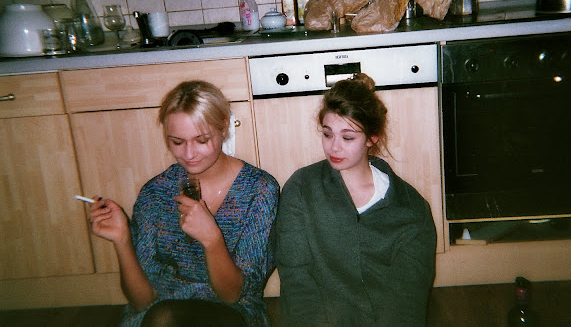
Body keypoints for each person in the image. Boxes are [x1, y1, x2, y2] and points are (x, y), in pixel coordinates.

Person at [88, 80, 279, 326]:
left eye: (202, 140)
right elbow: (141, 301)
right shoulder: (155, 193)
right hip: (159, 310)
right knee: (162, 317)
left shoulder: (259, 190)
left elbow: (233, 295)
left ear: (224, 127)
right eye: (177, 142)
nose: (189, 155)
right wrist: (122, 240)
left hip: (232, 312)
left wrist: (212, 240)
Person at [275, 73, 437, 326]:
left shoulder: (411, 209)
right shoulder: (301, 188)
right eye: (327, 134)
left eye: (348, 137)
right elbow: (296, 279)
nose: (334, 147)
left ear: (372, 137)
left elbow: (408, 299)